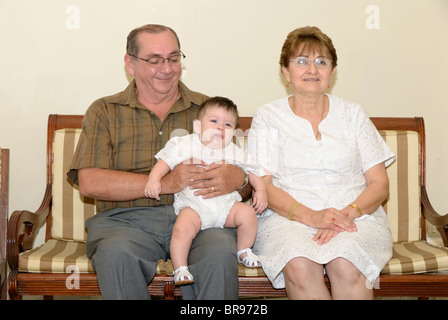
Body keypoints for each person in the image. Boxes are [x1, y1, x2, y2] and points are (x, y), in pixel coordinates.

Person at [67, 24, 248, 300]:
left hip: (203, 219)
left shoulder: (208, 111)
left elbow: (244, 178)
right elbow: (90, 183)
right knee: (116, 253)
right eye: (154, 60)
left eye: (174, 59)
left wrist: (241, 181)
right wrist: (166, 183)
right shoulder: (104, 111)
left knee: (220, 250)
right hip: (125, 222)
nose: (167, 68)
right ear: (131, 63)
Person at [245, 26, 395, 300]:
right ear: (285, 71)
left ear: (332, 71)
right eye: (301, 61)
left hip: (354, 216)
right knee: (300, 266)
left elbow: (379, 184)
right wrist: (312, 216)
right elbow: (263, 186)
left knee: (347, 264)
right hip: (287, 218)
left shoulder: (352, 113)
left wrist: (347, 213)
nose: (312, 69)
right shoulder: (268, 117)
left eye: (321, 62)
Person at [145, 96, 267, 285]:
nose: (220, 127)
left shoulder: (234, 150)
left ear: (233, 131)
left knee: (248, 213)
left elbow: (252, 170)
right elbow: (165, 162)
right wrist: (154, 179)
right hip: (195, 206)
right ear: (197, 126)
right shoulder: (187, 144)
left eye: (227, 124)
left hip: (226, 207)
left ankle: (243, 249)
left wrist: (260, 190)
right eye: (213, 121)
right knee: (181, 229)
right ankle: (180, 268)